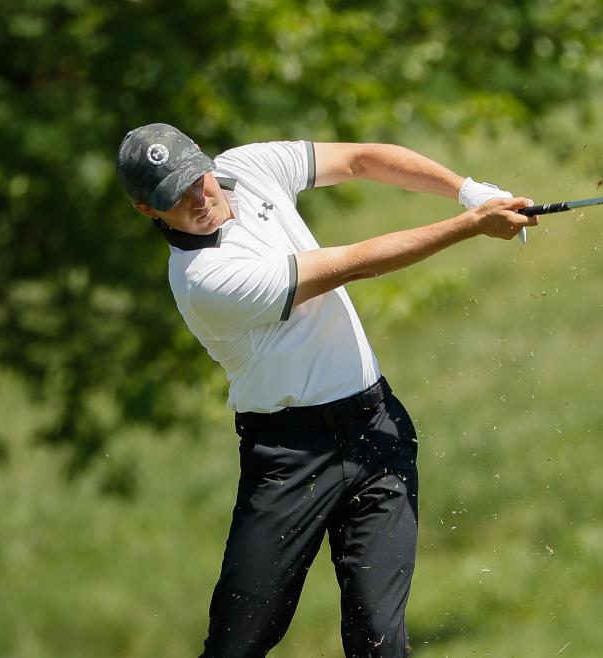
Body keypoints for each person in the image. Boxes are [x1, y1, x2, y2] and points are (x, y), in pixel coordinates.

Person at [115, 123, 538, 657]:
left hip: (376, 431)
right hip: (290, 458)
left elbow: (361, 158)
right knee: (236, 646)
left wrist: (467, 189)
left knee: (379, 643)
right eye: (173, 198)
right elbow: (353, 262)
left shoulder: (248, 167)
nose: (198, 199)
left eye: (196, 180)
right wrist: (471, 224)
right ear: (148, 210)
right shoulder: (204, 280)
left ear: (205, 162)